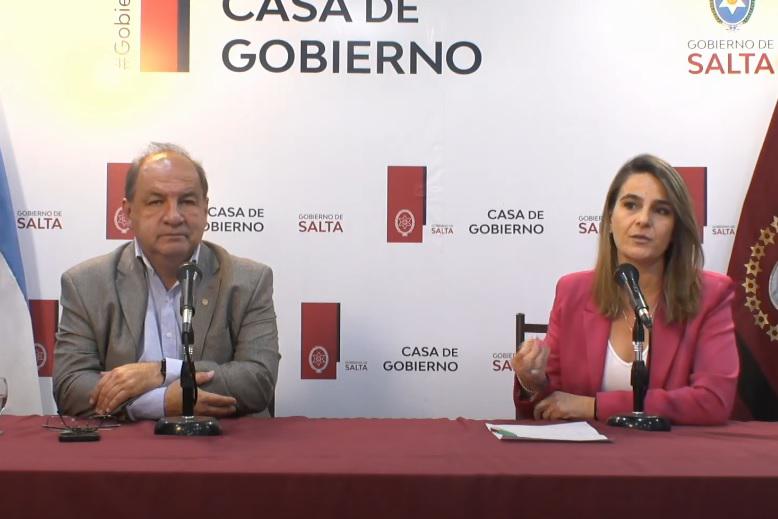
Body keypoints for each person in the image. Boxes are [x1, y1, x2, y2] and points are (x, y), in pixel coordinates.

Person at [53, 143, 280, 420]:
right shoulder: (86, 284)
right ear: (128, 212)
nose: (174, 216)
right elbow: (70, 386)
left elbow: (257, 380)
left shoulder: (248, 280)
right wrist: (160, 403)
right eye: (156, 201)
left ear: (205, 209)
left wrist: (161, 371)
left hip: (224, 442)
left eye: (187, 201)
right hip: (126, 446)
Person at [511, 154, 738, 425]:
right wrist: (533, 381)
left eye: (661, 210)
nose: (643, 220)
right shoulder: (572, 291)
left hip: (673, 451)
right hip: (587, 450)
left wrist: (596, 407)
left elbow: (712, 401)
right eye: (631, 205)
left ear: (676, 228)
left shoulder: (710, 295)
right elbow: (552, 404)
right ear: (609, 218)